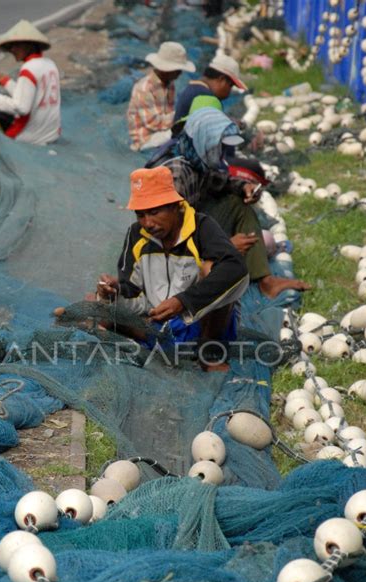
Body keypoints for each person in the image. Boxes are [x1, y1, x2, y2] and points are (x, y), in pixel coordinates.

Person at [96, 166, 249, 370]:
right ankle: (161, 344)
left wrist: (183, 301)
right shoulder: (136, 235)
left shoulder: (201, 228)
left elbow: (235, 267)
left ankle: (208, 353)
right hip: (158, 321)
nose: (147, 223)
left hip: (200, 320)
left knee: (214, 271)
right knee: (94, 302)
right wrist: (115, 291)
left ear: (175, 205)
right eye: (140, 215)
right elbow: (131, 290)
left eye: (154, 212)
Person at [148, 108, 310, 299]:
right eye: (216, 147)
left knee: (237, 202)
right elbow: (170, 240)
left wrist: (244, 188)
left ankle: (266, 281)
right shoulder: (174, 175)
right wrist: (225, 246)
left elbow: (222, 181)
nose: (221, 153)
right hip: (171, 257)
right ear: (203, 141)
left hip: (192, 229)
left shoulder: (196, 160)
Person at [0, 20, 61, 145]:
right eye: (11, 46)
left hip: (31, 137)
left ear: (29, 45)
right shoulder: (49, 64)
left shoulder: (28, 68)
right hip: (51, 133)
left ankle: (1, 143)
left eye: (16, 45)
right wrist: (5, 81)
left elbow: (21, 107)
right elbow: (30, 94)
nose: (12, 49)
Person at [126, 42, 195, 151]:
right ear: (166, 69)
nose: (180, 73)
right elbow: (154, 124)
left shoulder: (170, 84)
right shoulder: (144, 89)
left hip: (160, 133)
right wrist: (183, 114)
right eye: (178, 70)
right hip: (144, 142)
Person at [172, 52, 247, 136]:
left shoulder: (194, 88)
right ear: (221, 79)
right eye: (230, 86)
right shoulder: (205, 96)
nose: (229, 92)